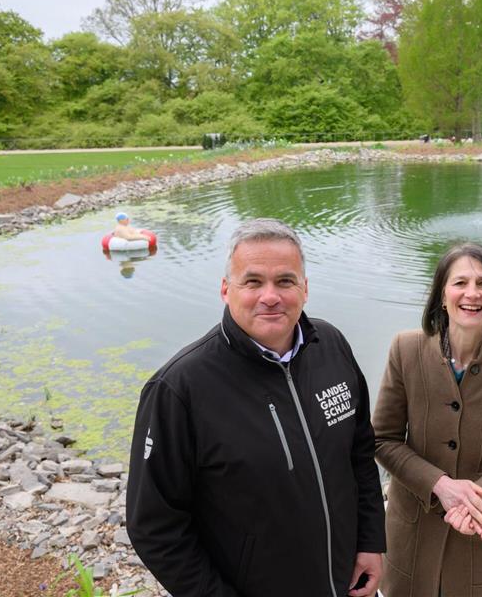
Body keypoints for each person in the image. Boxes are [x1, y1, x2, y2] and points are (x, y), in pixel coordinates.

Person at [126, 218, 385, 597]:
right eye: (253, 282)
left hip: (347, 582)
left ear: (305, 288)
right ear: (225, 289)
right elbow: (154, 526)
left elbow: (360, 452)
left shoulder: (331, 346)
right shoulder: (180, 388)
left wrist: (370, 540)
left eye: (285, 281)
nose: (270, 296)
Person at [373, 243, 482, 596]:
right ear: (441, 295)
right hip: (411, 533)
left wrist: (476, 499)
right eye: (459, 282)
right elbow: (382, 440)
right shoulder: (405, 349)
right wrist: (441, 486)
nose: (472, 293)